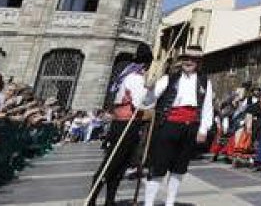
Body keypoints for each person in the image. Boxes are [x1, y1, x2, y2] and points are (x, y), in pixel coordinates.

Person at [142, 46, 213, 206]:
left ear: (198, 62)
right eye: (185, 58)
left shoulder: (205, 82)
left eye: (192, 59)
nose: (188, 62)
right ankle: (148, 203)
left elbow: (207, 107)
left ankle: (170, 202)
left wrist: (203, 129)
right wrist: (150, 88)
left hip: (191, 127)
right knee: (158, 165)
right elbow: (148, 102)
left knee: (179, 167)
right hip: (168, 125)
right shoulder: (169, 78)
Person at [88, 43, 153, 206]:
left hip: (120, 123)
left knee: (119, 166)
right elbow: (141, 103)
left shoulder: (125, 75)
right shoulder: (136, 78)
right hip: (127, 125)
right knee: (112, 164)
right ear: (147, 64)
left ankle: (109, 200)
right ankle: (92, 199)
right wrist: (150, 92)